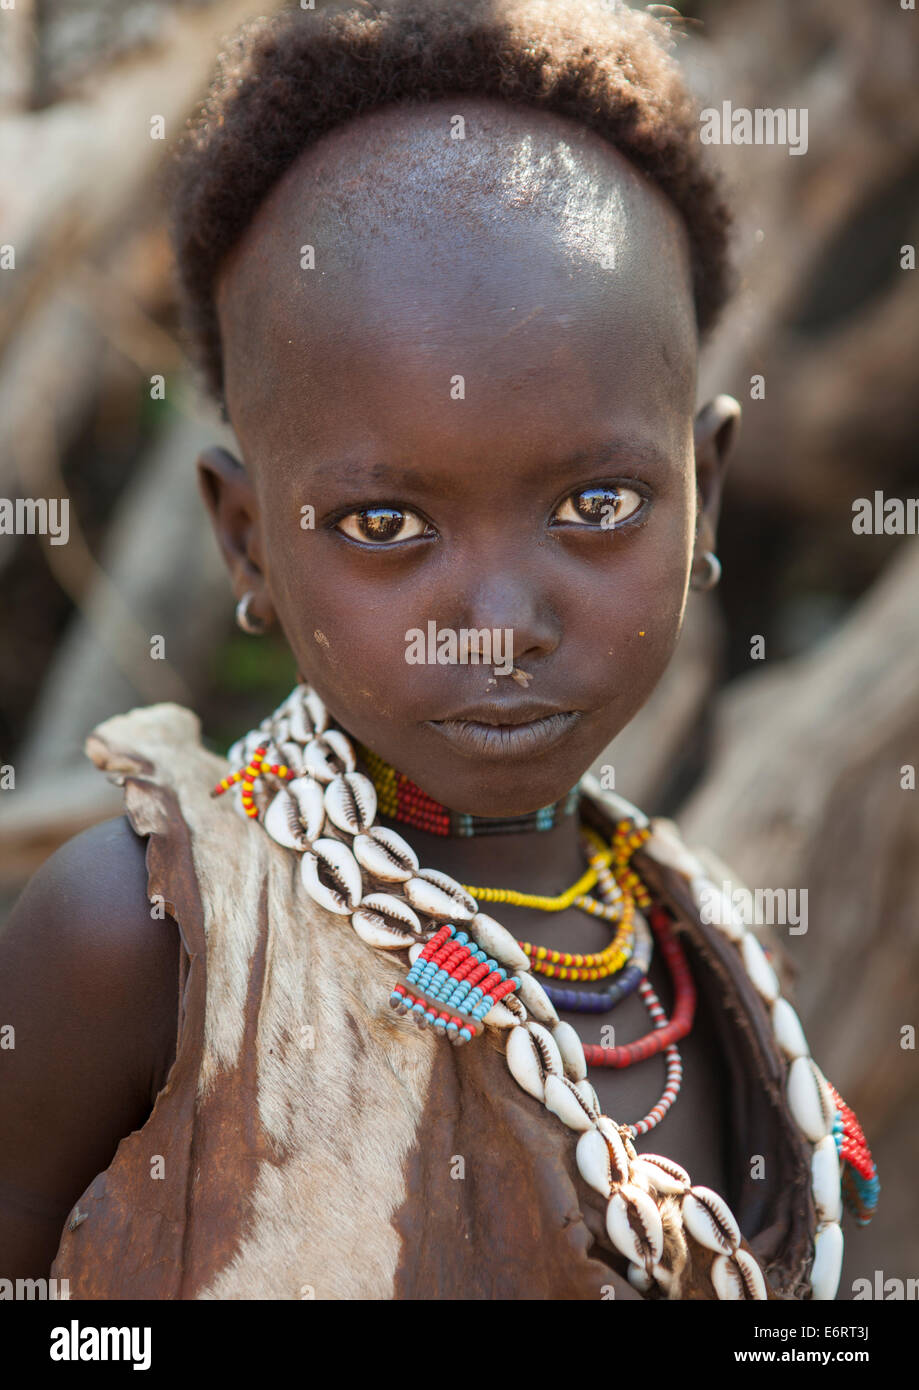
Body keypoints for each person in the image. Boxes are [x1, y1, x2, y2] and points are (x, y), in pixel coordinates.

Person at [0, 0, 876, 1300]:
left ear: (705, 491)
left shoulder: (726, 974)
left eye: (595, 506)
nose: (498, 617)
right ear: (248, 542)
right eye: (387, 524)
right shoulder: (148, 942)